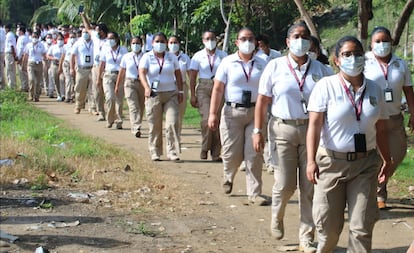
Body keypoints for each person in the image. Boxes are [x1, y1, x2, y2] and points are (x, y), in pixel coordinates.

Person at [306, 35, 391, 252]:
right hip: (331, 164)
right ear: (337, 60)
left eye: (357, 54)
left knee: (361, 226)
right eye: (347, 54)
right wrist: (310, 161)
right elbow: (314, 126)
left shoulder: (375, 89)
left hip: (365, 165)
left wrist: (387, 159)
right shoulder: (326, 86)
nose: (353, 58)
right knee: (329, 229)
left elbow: (380, 128)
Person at [253, 23, 332, 252]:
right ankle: (277, 214)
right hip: (282, 129)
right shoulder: (275, 67)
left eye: (305, 37)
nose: (301, 41)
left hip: (312, 131)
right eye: (296, 36)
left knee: (310, 186)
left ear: (310, 42)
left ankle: (306, 236)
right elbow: (263, 101)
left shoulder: (321, 70)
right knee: (286, 184)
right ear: (287, 41)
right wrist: (257, 131)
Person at [208, 27, 269, 205]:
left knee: (254, 154)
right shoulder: (227, 62)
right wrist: (213, 113)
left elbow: (267, 90)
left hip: (255, 113)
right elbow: (218, 89)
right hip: (232, 112)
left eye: (251, 39)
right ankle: (228, 176)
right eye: (243, 39)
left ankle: (254, 193)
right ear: (236, 42)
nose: (247, 42)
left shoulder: (262, 63)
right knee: (231, 153)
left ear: (256, 43)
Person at [364, 26, 414, 209]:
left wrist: (413, 113)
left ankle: (377, 183)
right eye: (377, 41)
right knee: (377, 156)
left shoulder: (400, 63)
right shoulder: (364, 62)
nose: (382, 44)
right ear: (371, 43)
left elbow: (409, 89)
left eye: (385, 41)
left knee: (398, 153)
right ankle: (379, 194)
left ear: (391, 42)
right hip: (372, 119)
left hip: (394, 116)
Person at [138, 32, 184, 161]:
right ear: (152, 43)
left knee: (172, 123)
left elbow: (178, 74)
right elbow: (142, 72)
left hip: (171, 94)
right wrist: (146, 88)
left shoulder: (171, 57)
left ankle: (172, 151)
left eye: (163, 41)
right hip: (154, 94)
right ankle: (155, 151)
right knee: (155, 125)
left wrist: (180, 91)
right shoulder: (147, 57)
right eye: (157, 41)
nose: (160, 44)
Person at [189, 30, 227, 161]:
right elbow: (193, 76)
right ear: (203, 41)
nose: (210, 41)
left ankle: (216, 153)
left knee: (217, 120)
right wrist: (192, 94)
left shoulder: (223, 56)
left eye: (212, 38)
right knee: (207, 120)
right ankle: (205, 147)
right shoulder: (198, 56)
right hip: (204, 87)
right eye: (207, 39)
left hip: (219, 87)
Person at [97, 32, 128, 129]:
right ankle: (109, 119)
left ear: (117, 39)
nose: (110, 41)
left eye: (112, 38)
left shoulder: (123, 50)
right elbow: (102, 64)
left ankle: (119, 120)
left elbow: (126, 63)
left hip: (120, 75)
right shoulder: (105, 50)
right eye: (108, 38)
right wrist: (98, 78)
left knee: (119, 98)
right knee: (110, 97)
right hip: (108, 75)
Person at [81, 11, 108, 119]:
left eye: (98, 31)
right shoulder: (96, 39)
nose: (96, 33)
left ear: (103, 31)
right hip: (96, 67)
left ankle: (112, 112)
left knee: (107, 91)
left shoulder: (109, 40)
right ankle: (101, 112)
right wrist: (83, 15)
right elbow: (87, 27)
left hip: (107, 68)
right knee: (97, 91)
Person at [115, 36, 144, 136]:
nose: (136, 45)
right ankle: (136, 127)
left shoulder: (146, 56)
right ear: (130, 45)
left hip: (142, 84)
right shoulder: (126, 57)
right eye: (133, 43)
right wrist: (118, 85)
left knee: (141, 106)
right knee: (133, 106)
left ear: (142, 45)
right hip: (129, 83)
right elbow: (122, 72)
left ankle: (138, 122)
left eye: (138, 43)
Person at [168, 35, 191, 138]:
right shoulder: (165, 57)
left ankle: (177, 136)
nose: (173, 45)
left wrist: (192, 89)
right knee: (171, 112)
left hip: (182, 86)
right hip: (168, 87)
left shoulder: (185, 58)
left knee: (180, 112)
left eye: (175, 42)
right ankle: (170, 135)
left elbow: (190, 74)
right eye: (171, 43)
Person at [71, 28, 94, 114]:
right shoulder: (78, 43)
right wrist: (71, 68)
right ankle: (78, 105)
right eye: (84, 32)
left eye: (87, 32)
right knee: (80, 87)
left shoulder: (94, 42)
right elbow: (72, 55)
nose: (85, 34)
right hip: (82, 68)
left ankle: (92, 107)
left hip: (92, 68)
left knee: (93, 88)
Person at [21, 31, 46, 102]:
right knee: (31, 79)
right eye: (33, 37)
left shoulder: (41, 45)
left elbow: (44, 54)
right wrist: (23, 65)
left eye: (36, 37)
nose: (34, 38)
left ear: (38, 37)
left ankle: (37, 96)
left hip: (39, 63)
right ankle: (31, 95)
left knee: (38, 81)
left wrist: (46, 63)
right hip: (31, 63)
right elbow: (25, 55)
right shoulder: (28, 45)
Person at [59, 31, 77, 103]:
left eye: (73, 37)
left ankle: (73, 95)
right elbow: (62, 57)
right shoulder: (66, 46)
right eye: (71, 37)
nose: (72, 38)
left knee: (73, 80)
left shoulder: (77, 45)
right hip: (66, 64)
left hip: (75, 64)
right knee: (68, 79)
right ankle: (67, 96)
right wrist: (60, 67)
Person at [47, 32, 65, 101]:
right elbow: (48, 55)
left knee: (62, 79)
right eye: (58, 39)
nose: (60, 41)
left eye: (61, 39)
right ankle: (59, 94)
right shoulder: (53, 47)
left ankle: (63, 93)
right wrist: (53, 58)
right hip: (54, 64)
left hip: (63, 65)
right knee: (56, 79)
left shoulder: (65, 47)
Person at [16, 26, 30, 92]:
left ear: (21, 31)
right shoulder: (27, 38)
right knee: (26, 71)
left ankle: (24, 86)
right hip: (27, 56)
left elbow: (20, 49)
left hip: (22, 56)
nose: (18, 32)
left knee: (22, 71)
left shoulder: (21, 38)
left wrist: (18, 58)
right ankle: (27, 85)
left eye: (19, 30)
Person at [4, 23, 17, 89]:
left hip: (9, 54)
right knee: (11, 70)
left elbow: (11, 46)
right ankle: (13, 85)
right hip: (10, 54)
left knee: (9, 70)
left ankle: (11, 86)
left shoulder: (9, 35)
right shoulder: (10, 35)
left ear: (7, 28)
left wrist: (14, 55)